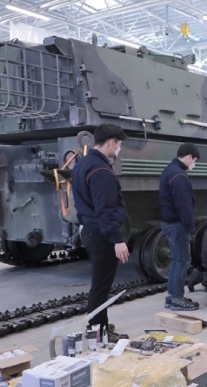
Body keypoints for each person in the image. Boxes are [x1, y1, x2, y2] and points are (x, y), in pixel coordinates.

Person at [72, 123, 130, 337]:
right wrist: (117, 239)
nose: (119, 149)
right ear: (112, 142)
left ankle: (97, 324)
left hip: (90, 229)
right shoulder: (101, 170)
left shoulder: (83, 164)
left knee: (99, 284)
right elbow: (105, 209)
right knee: (101, 286)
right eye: (119, 144)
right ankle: (99, 331)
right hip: (102, 234)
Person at [159, 143, 200, 311]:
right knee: (182, 260)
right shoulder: (179, 176)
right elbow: (184, 206)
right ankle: (176, 298)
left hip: (169, 222)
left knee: (177, 259)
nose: (194, 164)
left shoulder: (169, 170)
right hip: (177, 224)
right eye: (194, 160)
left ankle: (172, 296)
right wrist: (191, 229)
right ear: (189, 157)